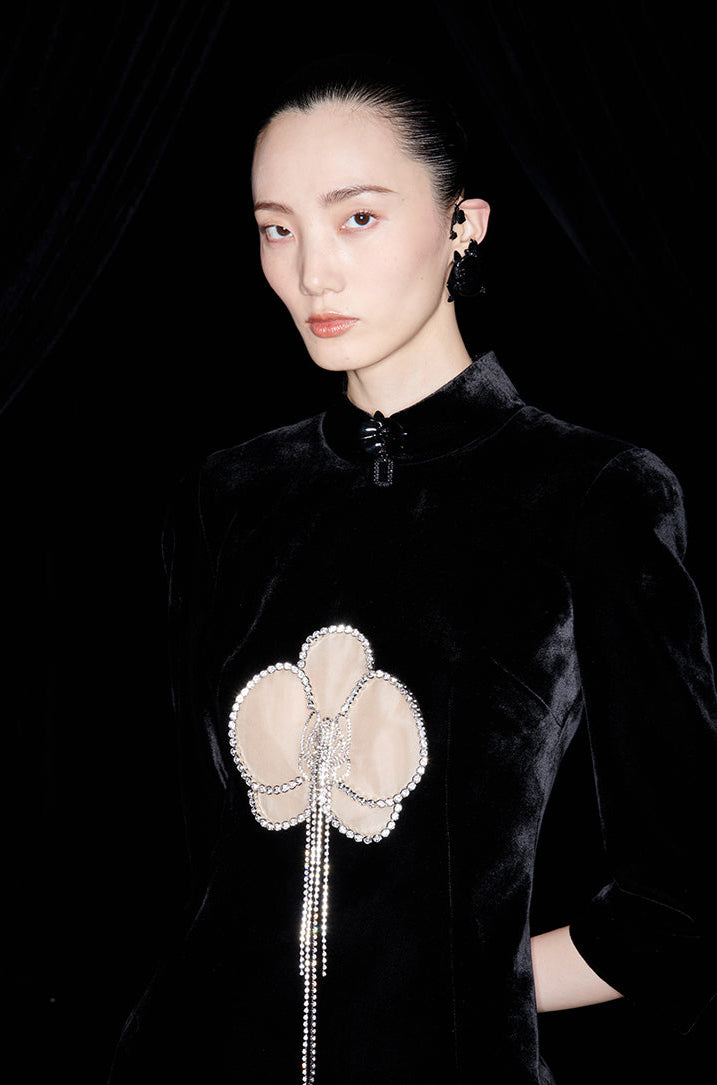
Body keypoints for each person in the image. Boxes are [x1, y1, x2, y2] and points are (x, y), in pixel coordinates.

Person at [109, 55, 717, 1084]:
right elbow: (196, 856)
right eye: (276, 228)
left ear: (461, 224)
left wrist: (465, 982)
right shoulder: (228, 496)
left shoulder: (591, 493)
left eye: (357, 217)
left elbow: (683, 899)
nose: (312, 273)